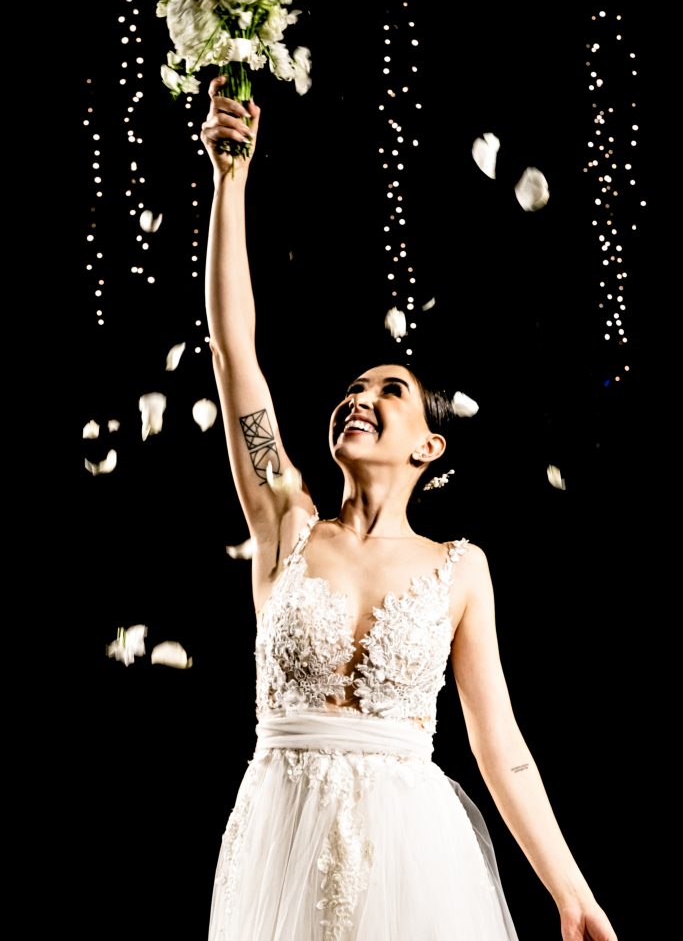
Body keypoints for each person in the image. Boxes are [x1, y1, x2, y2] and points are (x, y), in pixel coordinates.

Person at [199, 74, 619, 941]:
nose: (360, 396)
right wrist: (228, 180)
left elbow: (500, 748)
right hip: (282, 835)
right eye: (352, 387)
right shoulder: (285, 520)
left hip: (414, 851)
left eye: (388, 390)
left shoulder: (459, 569)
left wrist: (571, 893)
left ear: (427, 447)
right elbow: (233, 346)